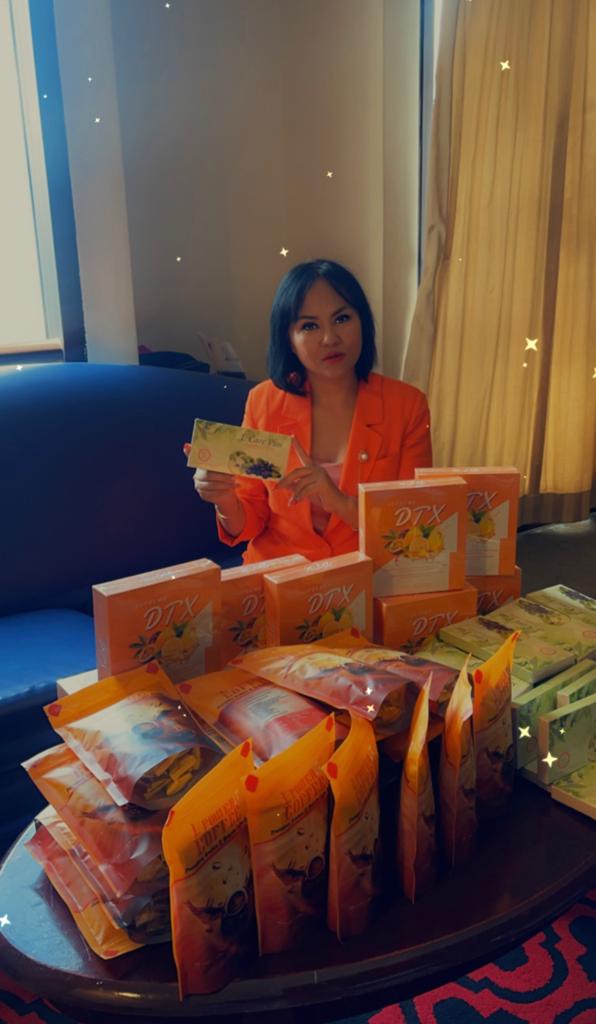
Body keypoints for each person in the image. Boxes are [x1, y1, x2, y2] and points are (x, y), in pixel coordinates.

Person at [189, 259, 432, 563]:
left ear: (363, 322)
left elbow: (413, 522)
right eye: (309, 326)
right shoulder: (264, 402)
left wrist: (340, 503)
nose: (330, 338)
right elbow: (249, 522)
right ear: (289, 340)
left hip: (368, 573)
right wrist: (224, 499)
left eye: (342, 318)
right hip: (281, 574)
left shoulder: (407, 406)